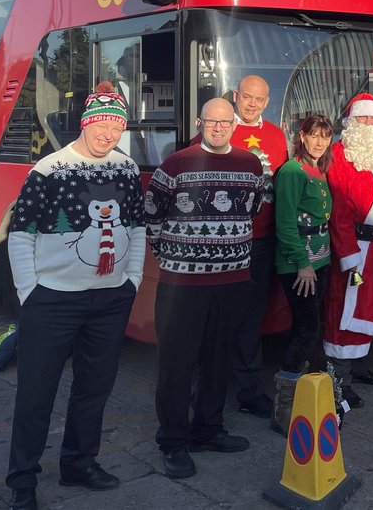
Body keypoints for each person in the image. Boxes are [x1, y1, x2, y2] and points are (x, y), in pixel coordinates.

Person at [4, 83, 144, 510]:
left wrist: (131, 280)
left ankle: (79, 463)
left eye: (117, 124)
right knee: (35, 394)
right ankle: (23, 482)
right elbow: (20, 234)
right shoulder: (48, 169)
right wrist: (30, 292)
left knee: (94, 389)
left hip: (109, 301)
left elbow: (137, 227)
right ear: (85, 123)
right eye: (102, 123)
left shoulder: (126, 168)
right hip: (52, 302)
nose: (108, 133)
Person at [145, 98, 265, 479]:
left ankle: (208, 430)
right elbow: (152, 214)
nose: (218, 128)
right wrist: (176, 257)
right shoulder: (176, 163)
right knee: (177, 365)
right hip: (183, 285)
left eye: (224, 122)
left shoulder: (250, 164)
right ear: (200, 123)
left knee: (218, 361)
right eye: (211, 122)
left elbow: (254, 208)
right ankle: (174, 442)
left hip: (232, 281)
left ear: (234, 125)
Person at [322, 93, 373, 413]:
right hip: (353, 247)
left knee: (367, 310)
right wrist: (348, 252)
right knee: (343, 313)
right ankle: (339, 380)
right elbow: (337, 209)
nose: (368, 124)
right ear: (350, 122)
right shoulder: (337, 154)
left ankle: (358, 366)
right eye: (362, 118)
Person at [226, 75, 289, 419]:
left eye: (259, 99)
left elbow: (283, 187)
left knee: (251, 319)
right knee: (216, 317)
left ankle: (249, 391)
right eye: (246, 97)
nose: (251, 104)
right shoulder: (219, 125)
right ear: (236, 95)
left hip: (262, 242)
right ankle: (211, 385)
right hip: (224, 245)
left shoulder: (277, 136)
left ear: (267, 102)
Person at [271, 114, 334, 426]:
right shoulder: (293, 172)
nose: (320, 142)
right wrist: (303, 264)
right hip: (300, 264)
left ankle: (313, 397)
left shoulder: (317, 170)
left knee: (309, 327)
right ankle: (283, 404)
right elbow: (284, 223)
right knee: (307, 328)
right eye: (314, 136)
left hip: (320, 260)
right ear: (302, 136)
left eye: (325, 136)